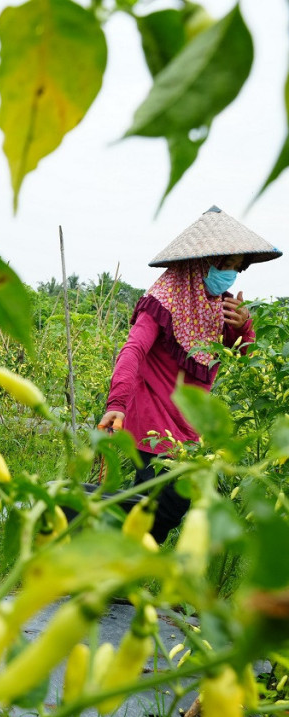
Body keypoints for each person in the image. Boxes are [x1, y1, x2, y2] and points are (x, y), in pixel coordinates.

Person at [99, 206, 282, 542]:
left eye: (234, 267)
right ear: (198, 263)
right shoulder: (163, 300)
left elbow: (244, 361)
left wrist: (244, 329)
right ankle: (112, 561)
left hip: (188, 427)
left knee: (168, 503)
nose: (228, 274)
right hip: (152, 418)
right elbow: (133, 351)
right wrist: (118, 403)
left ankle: (114, 562)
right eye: (222, 265)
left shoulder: (222, 306)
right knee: (158, 501)